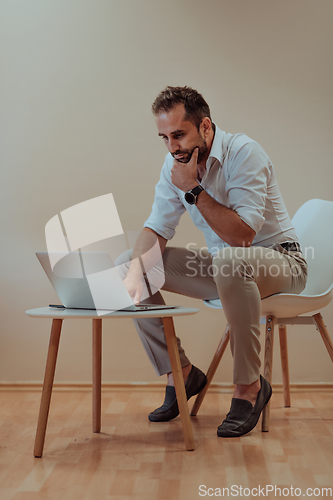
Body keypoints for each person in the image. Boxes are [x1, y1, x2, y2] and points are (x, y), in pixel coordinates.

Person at [118, 86, 308, 437]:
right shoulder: (175, 164)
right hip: (227, 267)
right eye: (164, 137)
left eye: (179, 134)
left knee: (231, 261)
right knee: (130, 264)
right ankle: (183, 373)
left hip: (283, 262)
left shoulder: (244, 153)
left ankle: (250, 388)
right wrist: (134, 272)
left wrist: (193, 189)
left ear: (205, 126)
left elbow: (243, 237)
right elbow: (156, 228)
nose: (172, 146)